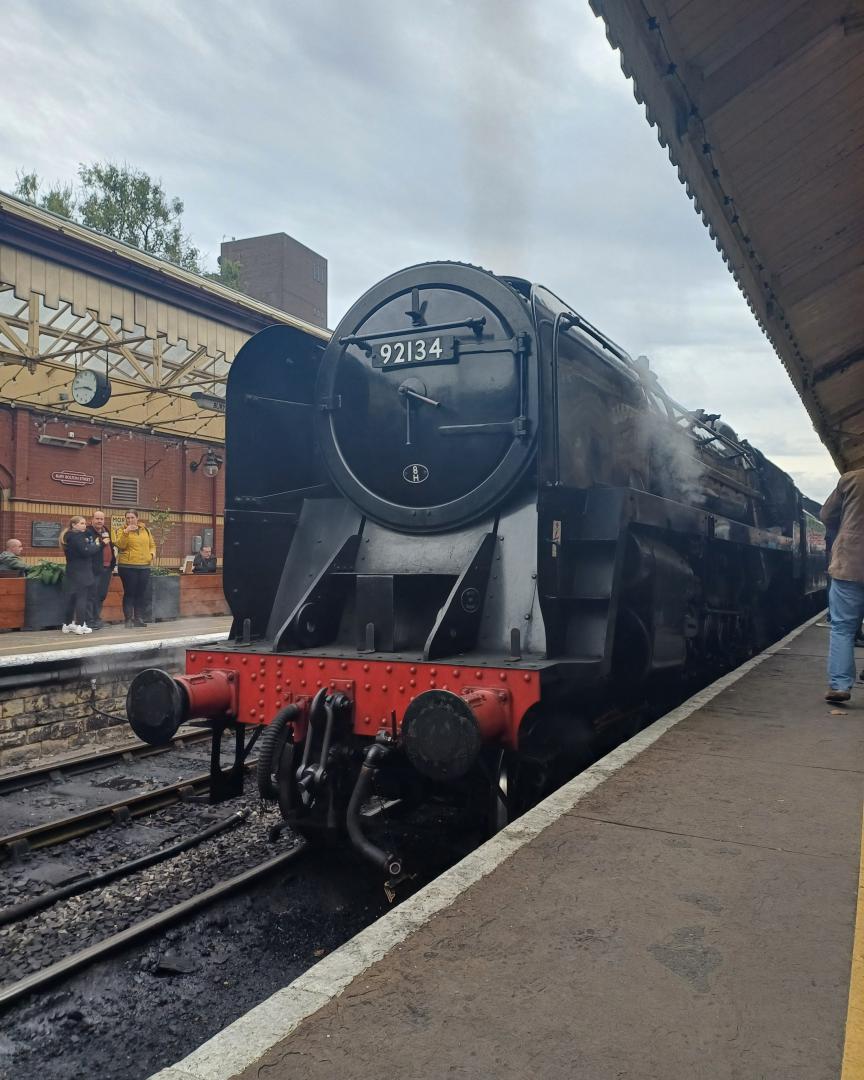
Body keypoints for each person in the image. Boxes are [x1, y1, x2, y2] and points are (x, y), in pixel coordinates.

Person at [820, 469, 864, 702]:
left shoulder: (852, 479)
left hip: (851, 563)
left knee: (843, 628)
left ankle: (840, 685)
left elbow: (826, 515)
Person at [115, 509, 156, 628]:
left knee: (141, 593)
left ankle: (138, 618)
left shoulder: (146, 530)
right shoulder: (121, 530)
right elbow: (120, 545)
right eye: (127, 518)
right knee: (129, 593)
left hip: (144, 566)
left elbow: (152, 545)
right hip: (127, 566)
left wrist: (151, 555)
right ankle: (128, 619)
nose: (130, 520)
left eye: (132, 517)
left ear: (137, 518)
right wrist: (126, 532)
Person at [61, 517, 96, 635]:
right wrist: (99, 545)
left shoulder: (68, 536)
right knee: (82, 598)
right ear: (74, 525)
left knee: (71, 599)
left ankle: (67, 624)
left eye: (85, 523)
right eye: (81, 523)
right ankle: (81, 625)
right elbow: (87, 551)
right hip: (82, 572)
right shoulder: (77, 537)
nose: (84, 525)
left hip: (71, 571)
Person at [85, 510, 115, 629]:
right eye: (97, 519)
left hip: (107, 568)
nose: (99, 521)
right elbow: (89, 549)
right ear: (92, 519)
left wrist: (113, 564)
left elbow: (110, 546)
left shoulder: (105, 530)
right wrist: (101, 543)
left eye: (101, 519)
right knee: (91, 595)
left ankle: (96, 617)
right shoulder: (88, 532)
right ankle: (89, 620)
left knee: (101, 595)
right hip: (93, 569)